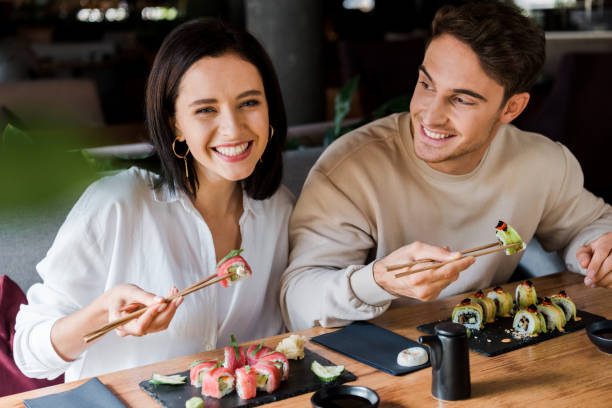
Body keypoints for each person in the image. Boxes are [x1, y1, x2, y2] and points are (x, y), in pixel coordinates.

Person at [281, 2, 612, 331]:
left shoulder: (541, 163)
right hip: (376, 360)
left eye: (461, 100)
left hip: (490, 345)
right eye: (426, 84)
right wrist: (378, 281)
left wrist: (600, 249)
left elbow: (590, 226)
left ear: (511, 107)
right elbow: (297, 303)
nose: (430, 115)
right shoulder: (350, 170)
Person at [14, 18, 294, 382]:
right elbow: (28, 353)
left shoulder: (281, 211)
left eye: (249, 102)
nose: (233, 128)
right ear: (174, 122)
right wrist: (102, 313)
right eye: (206, 109)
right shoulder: (117, 203)